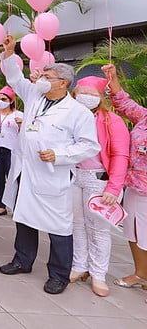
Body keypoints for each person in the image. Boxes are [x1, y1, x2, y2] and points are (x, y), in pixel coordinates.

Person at [0, 35, 100, 295]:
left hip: (54, 176)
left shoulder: (78, 112)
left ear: (63, 82)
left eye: (48, 76)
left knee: (59, 228)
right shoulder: (35, 94)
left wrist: (59, 153)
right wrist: (9, 54)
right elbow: (14, 80)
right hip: (28, 172)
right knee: (24, 220)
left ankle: (58, 274)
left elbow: (89, 146)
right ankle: (22, 260)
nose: (42, 79)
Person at [69, 75, 129, 297]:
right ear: (74, 94)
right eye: (82, 93)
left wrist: (114, 188)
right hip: (74, 177)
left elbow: (121, 155)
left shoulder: (111, 120)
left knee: (99, 229)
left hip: (99, 180)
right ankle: (79, 266)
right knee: (77, 224)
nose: (87, 97)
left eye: (93, 94)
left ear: (100, 98)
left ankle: (99, 273)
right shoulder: (70, 117)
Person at [103, 64, 147, 294]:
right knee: (133, 231)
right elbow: (122, 101)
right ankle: (141, 274)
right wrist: (112, 78)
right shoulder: (144, 116)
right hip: (135, 187)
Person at [0, 83, 22, 217]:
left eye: (4, 99)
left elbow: (27, 133)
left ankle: (17, 206)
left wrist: (21, 126)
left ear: (11, 100)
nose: (1, 102)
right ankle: (1, 206)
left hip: (12, 151)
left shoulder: (19, 115)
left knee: (14, 179)